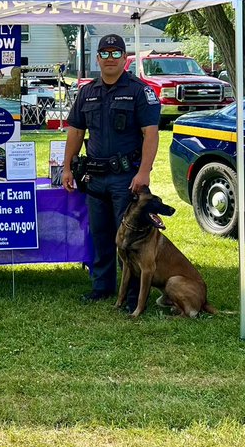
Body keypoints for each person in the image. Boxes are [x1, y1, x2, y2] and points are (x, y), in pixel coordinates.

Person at [62, 33, 161, 310]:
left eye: (115, 53)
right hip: (95, 177)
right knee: (101, 233)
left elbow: (151, 134)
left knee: (129, 238)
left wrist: (144, 172)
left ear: (125, 59)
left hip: (126, 178)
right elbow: (76, 131)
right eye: (104, 53)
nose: (109, 59)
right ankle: (102, 286)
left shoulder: (140, 91)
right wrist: (67, 167)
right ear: (97, 58)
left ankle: (131, 296)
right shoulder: (87, 91)